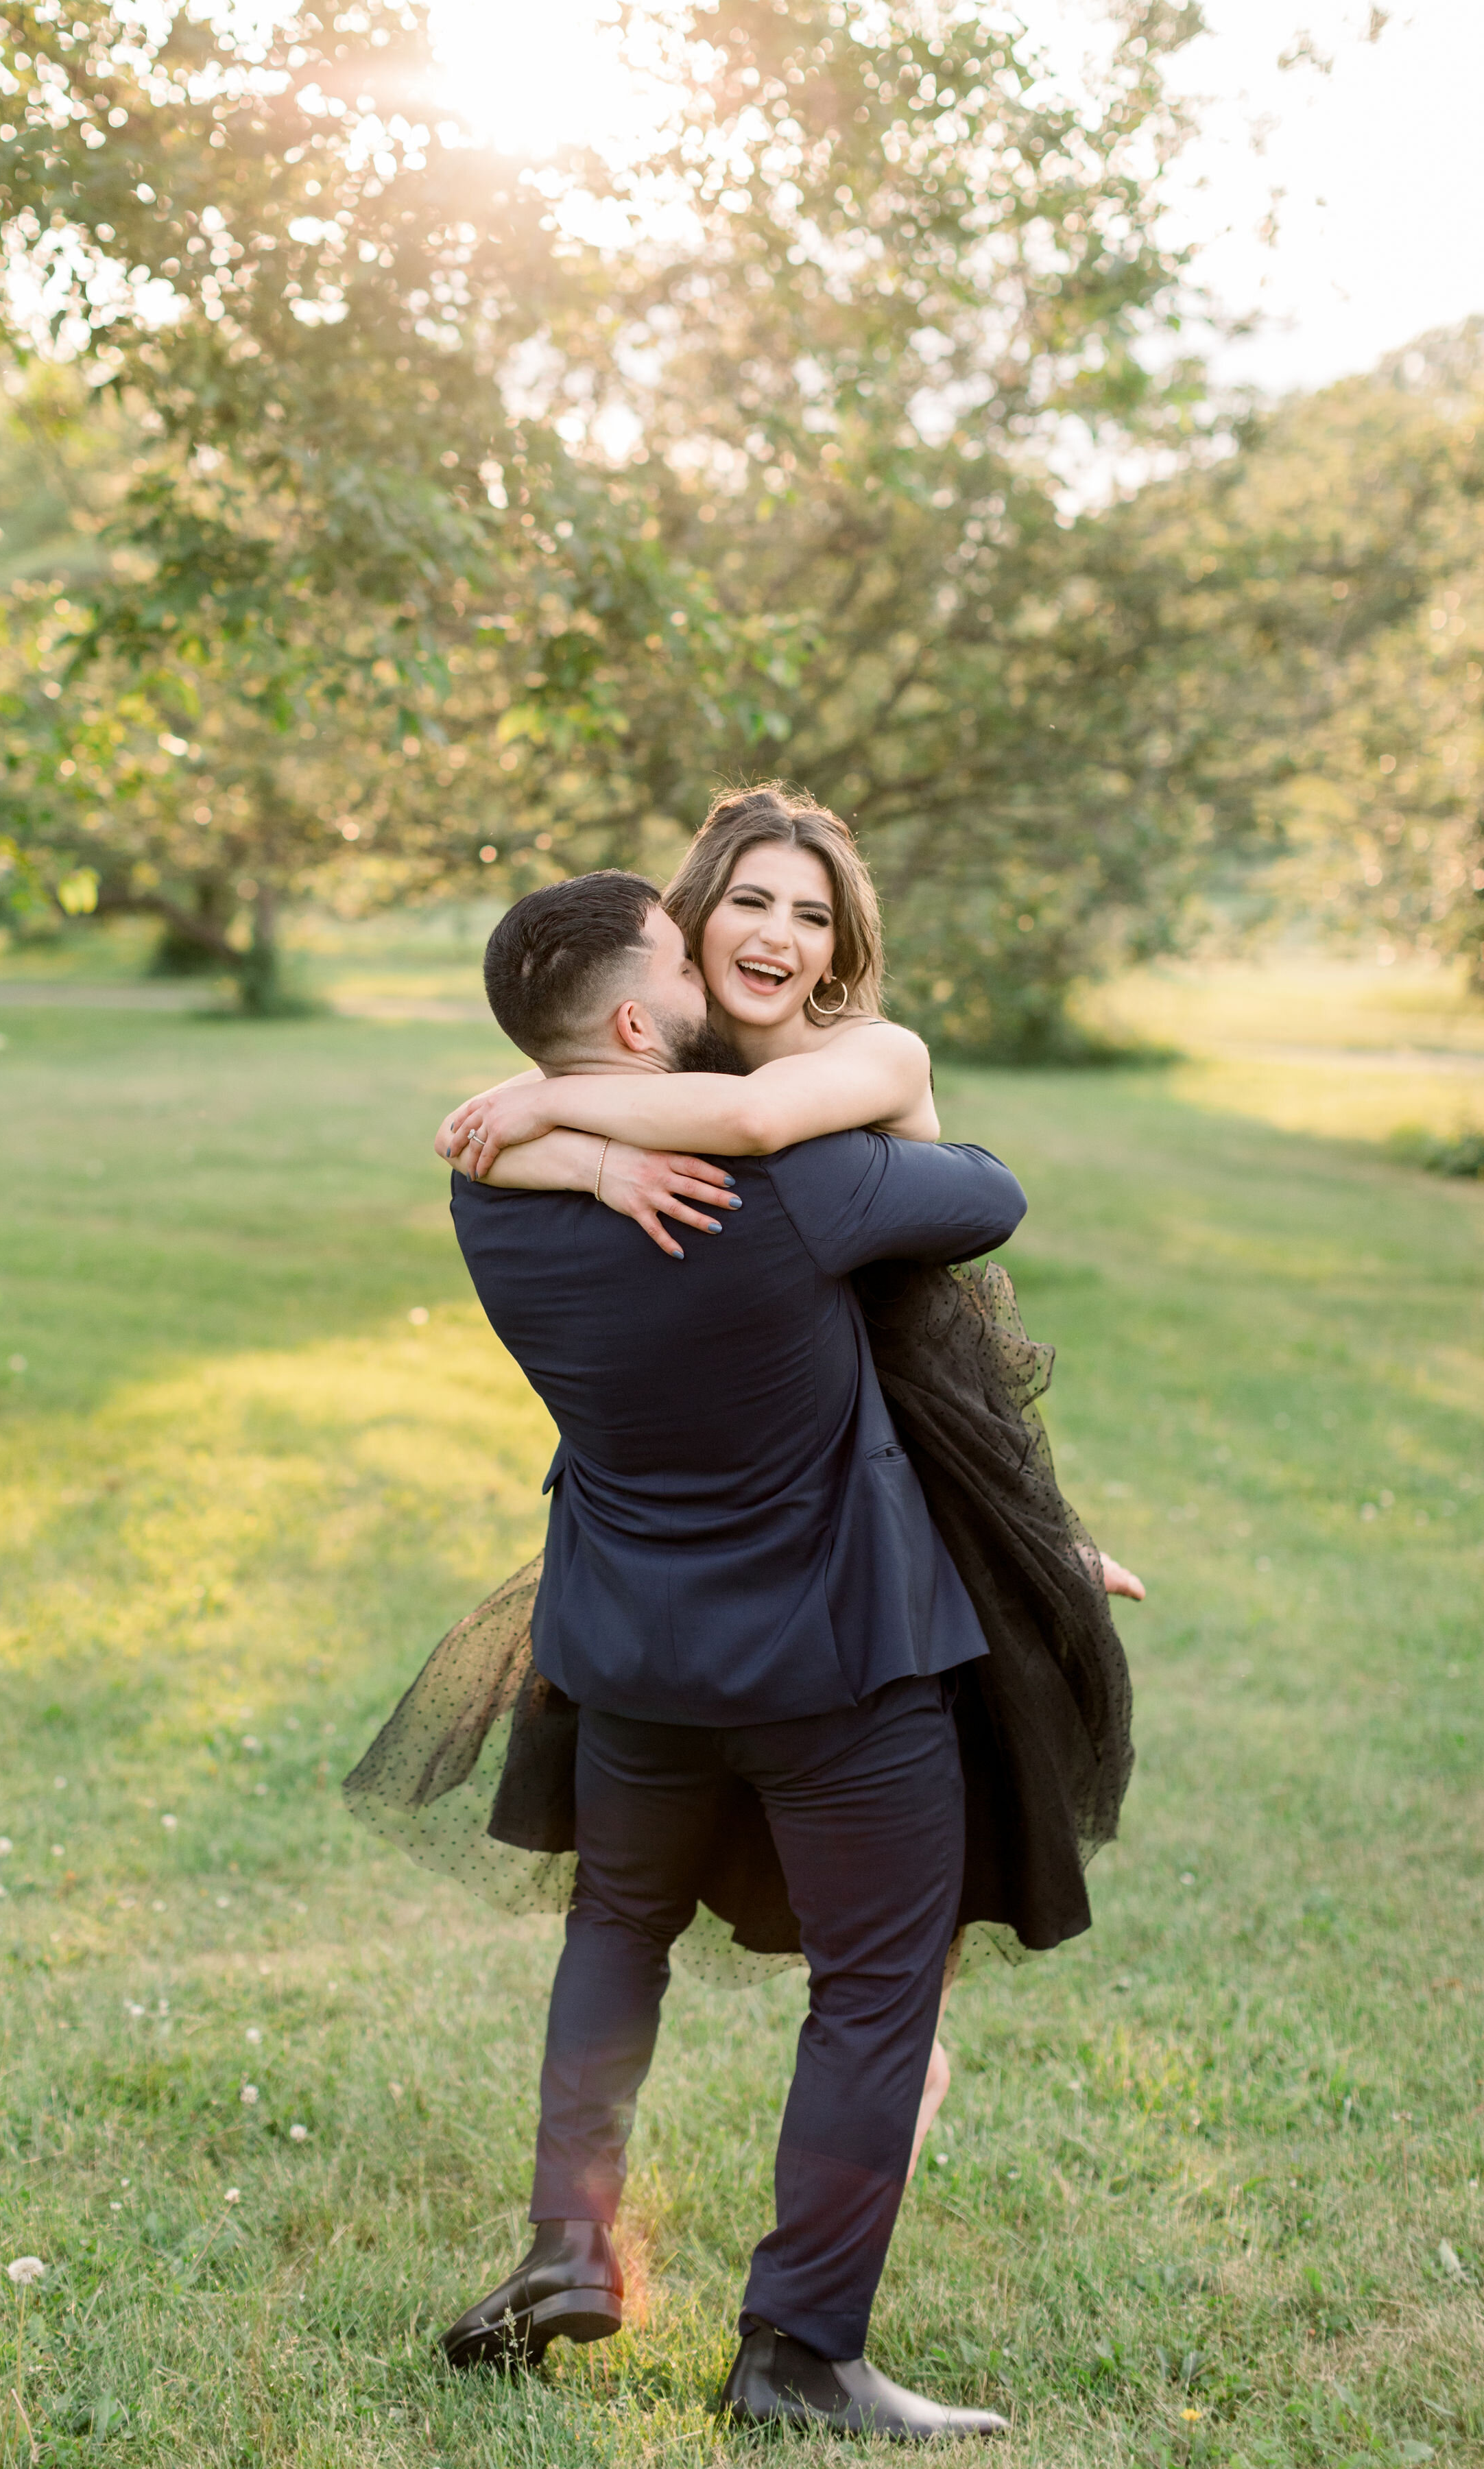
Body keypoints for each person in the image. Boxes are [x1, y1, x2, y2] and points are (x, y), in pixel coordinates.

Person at [428, 784, 1140, 2173]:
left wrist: (558, 1107)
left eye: (812, 916)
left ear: (838, 949)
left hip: (916, 1453)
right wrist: (587, 1139)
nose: (779, 933)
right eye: (750, 901)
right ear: (691, 934)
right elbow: (477, 1147)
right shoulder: (655, 1076)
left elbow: (759, 1140)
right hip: (758, 1472)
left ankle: (895, 2041)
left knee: (956, 1788)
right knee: (746, 1824)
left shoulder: (857, 1060)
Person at [405, 861, 1027, 2437]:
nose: (722, 969)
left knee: (614, 1931)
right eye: (692, 956)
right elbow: (991, 1197)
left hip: (625, 1659)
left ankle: (568, 2248)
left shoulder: (492, 1181)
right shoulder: (804, 1183)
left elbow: (530, 1118)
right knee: (878, 1992)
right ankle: (800, 2352)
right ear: (638, 1011)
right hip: (837, 1667)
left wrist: (573, 1130)